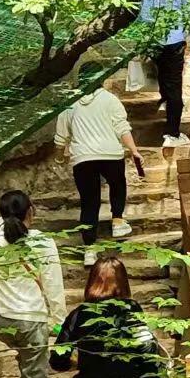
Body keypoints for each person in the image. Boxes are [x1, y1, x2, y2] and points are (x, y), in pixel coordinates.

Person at [0, 190, 66, 378]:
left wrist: (3, 218)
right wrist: (60, 321)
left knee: (27, 359)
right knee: (35, 376)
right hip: (29, 316)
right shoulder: (42, 242)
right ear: (31, 211)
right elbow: (53, 284)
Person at [55, 86, 145, 265]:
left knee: (89, 201)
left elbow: (60, 138)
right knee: (118, 184)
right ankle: (118, 222)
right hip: (110, 153)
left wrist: (59, 159)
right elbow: (122, 128)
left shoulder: (69, 104)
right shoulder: (110, 99)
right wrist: (134, 150)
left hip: (83, 157)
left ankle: (89, 249)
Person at [139, 0, 190, 151]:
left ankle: (165, 101)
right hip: (174, 38)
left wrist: (144, 36)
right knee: (174, 83)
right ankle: (172, 133)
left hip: (153, 37)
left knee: (163, 76)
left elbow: (143, 9)